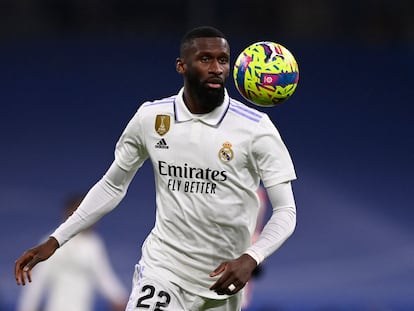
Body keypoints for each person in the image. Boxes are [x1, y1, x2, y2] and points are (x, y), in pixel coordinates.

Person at [15, 26, 297, 311]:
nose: (216, 68)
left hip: (222, 284)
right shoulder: (152, 118)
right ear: (181, 66)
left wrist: (251, 257)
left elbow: (286, 211)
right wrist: (57, 239)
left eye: (222, 60)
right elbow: (112, 185)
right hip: (163, 272)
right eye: (205, 59)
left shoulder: (256, 128)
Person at [16, 194, 128, 311]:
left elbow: (104, 276)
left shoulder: (93, 244)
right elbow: (37, 283)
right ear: (69, 215)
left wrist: (119, 298)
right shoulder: (50, 244)